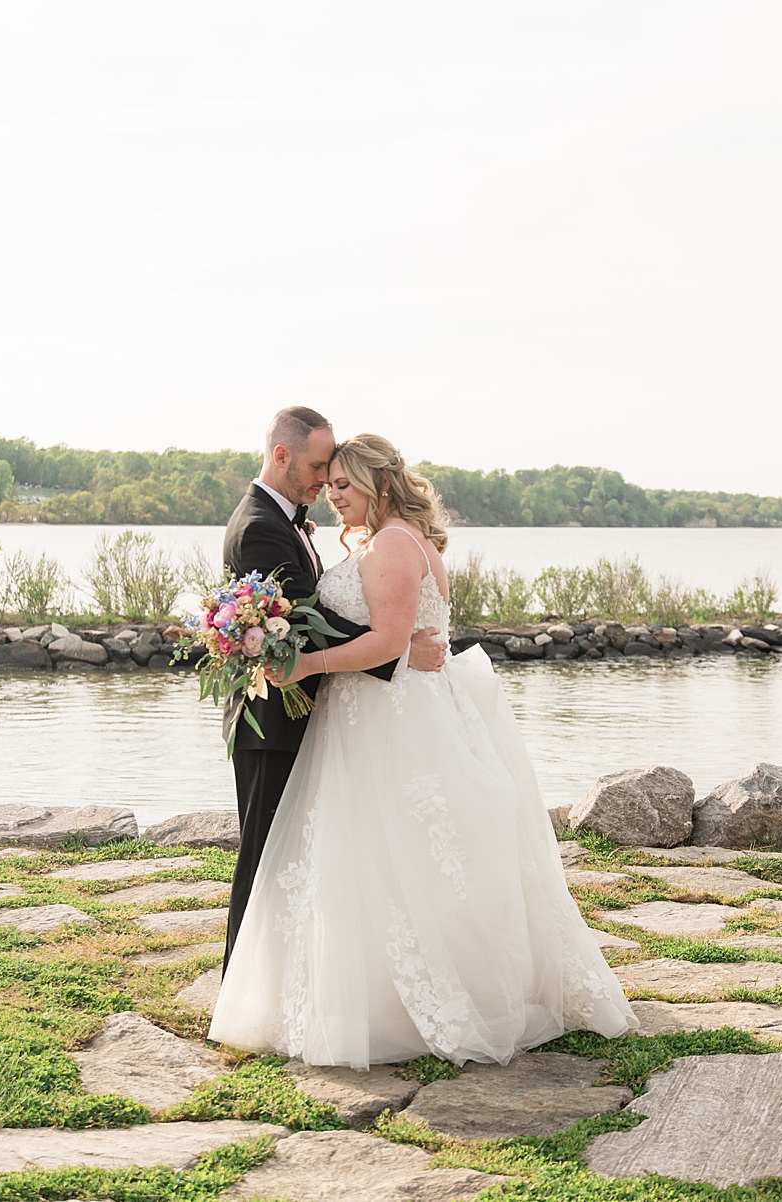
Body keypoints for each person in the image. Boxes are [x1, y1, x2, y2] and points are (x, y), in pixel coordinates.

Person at [209, 433, 636, 1069]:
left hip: (388, 718)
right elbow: (401, 634)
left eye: (345, 487)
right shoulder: (398, 540)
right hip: (384, 710)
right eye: (327, 486)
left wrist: (306, 664)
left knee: (395, 852)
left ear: (379, 486)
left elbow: (385, 641)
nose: (333, 498)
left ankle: (408, 999)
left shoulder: (392, 544)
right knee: (380, 854)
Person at [219, 407, 448, 968]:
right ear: (282, 456)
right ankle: (242, 981)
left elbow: (313, 614)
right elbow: (301, 619)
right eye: (321, 468)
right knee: (264, 859)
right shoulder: (260, 528)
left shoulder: (297, 522)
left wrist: (392, 645)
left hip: (315, 713)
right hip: (272, 719)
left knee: (300, 856)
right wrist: (396, 650)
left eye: (340, 478)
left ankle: (293, 973)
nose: (325, 483)